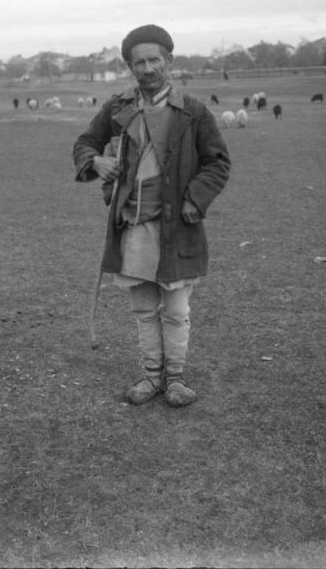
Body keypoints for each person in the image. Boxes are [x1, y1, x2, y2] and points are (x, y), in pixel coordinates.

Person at [73, 24, 231, 407]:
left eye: (153, 60)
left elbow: (217, 162)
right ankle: (150, 376)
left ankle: (175, 379)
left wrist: (195, 200)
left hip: (177, 228)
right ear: (130, 66)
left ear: (169, 61)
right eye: (138, 62)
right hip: (132, 227)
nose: (147, 68)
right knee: (144, 309)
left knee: (176, 310)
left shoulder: (192, 111)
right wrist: (97, 161)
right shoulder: (118, 108)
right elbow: (85, 143)